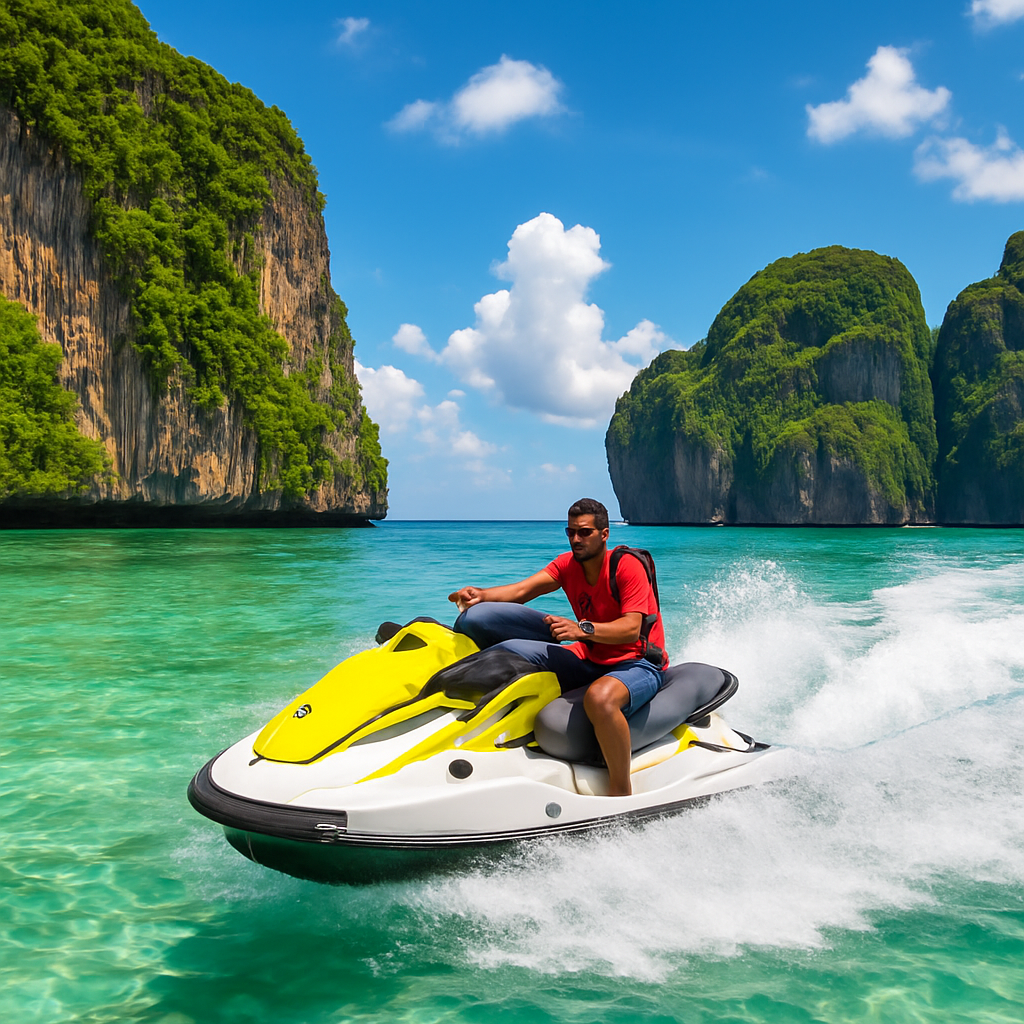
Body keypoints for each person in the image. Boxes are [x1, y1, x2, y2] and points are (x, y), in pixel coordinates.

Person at [448, 498, 667, 796]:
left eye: (585, 532)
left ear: (604, 534)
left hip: (637, 663)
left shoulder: (626, 566)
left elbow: (631, 630)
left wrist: (582, 629)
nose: (576, 539)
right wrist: (481, 594)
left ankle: (620, 790)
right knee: (502, 641)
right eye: (571, 531)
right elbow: (522, 591)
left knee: (600, 699)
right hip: (590, 656)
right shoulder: (567, 564)